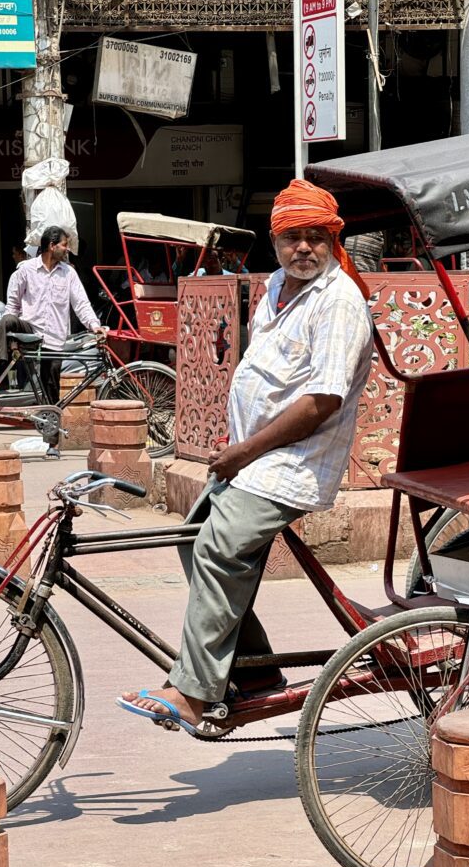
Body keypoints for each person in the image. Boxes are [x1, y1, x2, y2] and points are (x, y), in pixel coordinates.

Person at [118, 179, 374, 732]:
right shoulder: (277, 286)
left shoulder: (339, 301)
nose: (302, 248)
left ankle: (193, 689)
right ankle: (255, 671)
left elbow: (321, 401)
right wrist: (241, 446)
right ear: (274, 241)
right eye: (291, 238)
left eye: (314, 237)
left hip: (295, 461)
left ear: (333, 240)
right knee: (192, 543)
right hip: (258, 457)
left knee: (220, 547)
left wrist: (245, 451)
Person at [0, 226, 104, 454]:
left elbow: (81, 304)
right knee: (7, 320)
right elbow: (12, 305)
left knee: (50, 388)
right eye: (64, 245)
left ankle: (52, 444)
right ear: (52, 246)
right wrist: (11, 337)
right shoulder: (25, 270)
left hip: (55, 338)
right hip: (29, 329)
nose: (67, 249)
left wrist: (95, 325)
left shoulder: (68, 273)